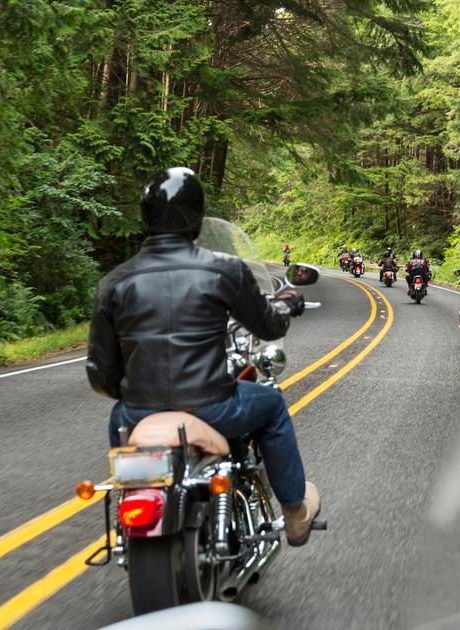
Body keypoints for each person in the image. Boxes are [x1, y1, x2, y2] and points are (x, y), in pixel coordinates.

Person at [87, 167, 321, 547]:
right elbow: (268, 326)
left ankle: (134, 515)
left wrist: (137, 395)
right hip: (214, 406)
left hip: (136, 413)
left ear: (145, 216)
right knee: (273, 406)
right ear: (197, 215)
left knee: (119, 420)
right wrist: (285, 304)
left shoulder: (114, 282)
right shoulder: (222, 269)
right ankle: (295, 514)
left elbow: (101, 372)